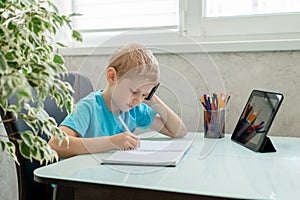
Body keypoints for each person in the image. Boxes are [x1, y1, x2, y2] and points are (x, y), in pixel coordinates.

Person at [49, 43, 187, 158]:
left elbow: (179, 131)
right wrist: (111, 142)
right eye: (134, 91)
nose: (138, 100)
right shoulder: (88, 107)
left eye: (144, 95)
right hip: (79, 182)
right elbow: (55, 144)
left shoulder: (135, 110)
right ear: (112, 77)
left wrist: (152, 100)